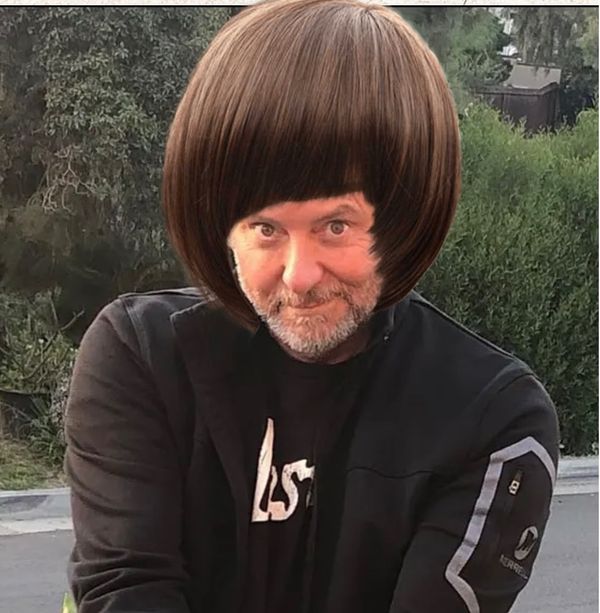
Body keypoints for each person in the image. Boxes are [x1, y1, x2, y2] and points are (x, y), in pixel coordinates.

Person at [64, 1, 560, 612]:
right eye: (265, 228)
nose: (299, 278)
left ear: (406, 219)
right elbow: (125, 588)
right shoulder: (142, 358)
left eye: (335, 225)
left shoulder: (493, 418)